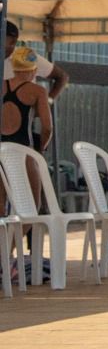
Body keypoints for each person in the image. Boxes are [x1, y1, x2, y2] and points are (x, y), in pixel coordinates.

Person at [1, 39, 52, 217]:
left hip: (1, 151)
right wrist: (41, 149)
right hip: (23, 151)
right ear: (33, 70)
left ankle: (4, 245)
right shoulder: (37, 91)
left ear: (14, 67)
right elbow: (47, 127)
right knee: (31, 209)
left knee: (0, 210)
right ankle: (12, 246)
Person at [2, 21, 70, 104]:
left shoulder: (27, 56)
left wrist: (47, 103)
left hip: (23, 114)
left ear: (13, 42)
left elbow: (62, 76)